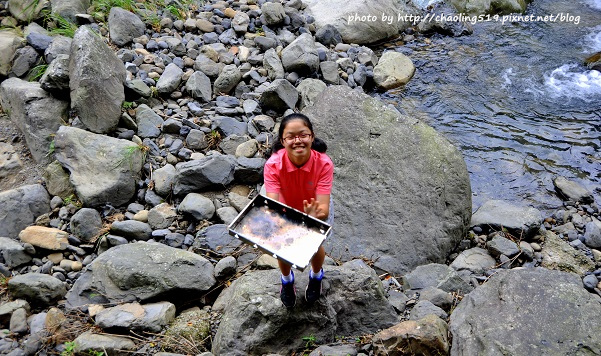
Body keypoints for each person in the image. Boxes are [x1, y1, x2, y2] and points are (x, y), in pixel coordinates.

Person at [263, 113, 334, 308]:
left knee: (314, 244)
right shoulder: (273, 165)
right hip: (285, 206)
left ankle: (317, 275)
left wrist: (310, 220)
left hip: (314, 208)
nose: (297, 141)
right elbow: (273, 205)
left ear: (311, 136)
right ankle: (286, 280)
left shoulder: (324, 163)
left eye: (303, 135)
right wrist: (281, 222)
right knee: (283, 246)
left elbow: (324, 210)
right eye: (291, 137)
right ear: (282, 141)